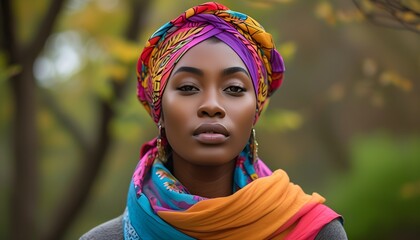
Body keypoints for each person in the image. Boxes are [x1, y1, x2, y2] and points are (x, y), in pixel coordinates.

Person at [81, 2, 347, 239]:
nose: (211, 106)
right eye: (188, 88)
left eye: (234, 89)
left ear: (256, 110)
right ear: (158, 108)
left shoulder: (315, 232)